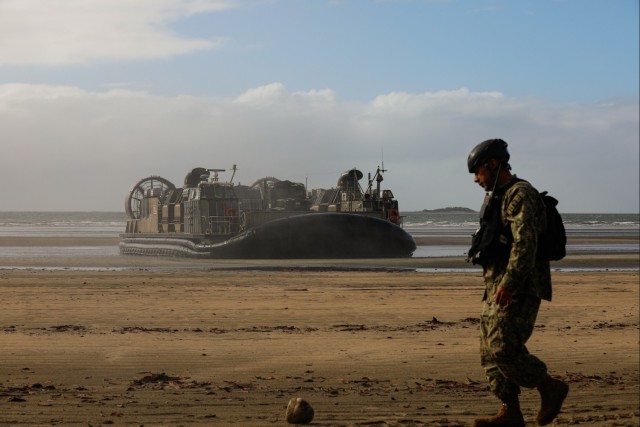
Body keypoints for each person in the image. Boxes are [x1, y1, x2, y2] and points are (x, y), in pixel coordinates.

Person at [466, 139, 569, 427]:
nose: (476, 179)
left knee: (503, 347)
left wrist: (509, 283)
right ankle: (510, 412)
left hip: (520, 286)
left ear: (494, 164)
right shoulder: (497, 197)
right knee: (489, 352)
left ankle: (549, 387)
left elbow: (526, 244)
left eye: (478, 172)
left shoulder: (520, 195)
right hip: (496, 286)